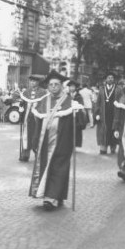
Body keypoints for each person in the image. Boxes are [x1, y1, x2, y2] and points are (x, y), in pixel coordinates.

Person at [29, 70, 86, 211]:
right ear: (48, 86)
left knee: (58, 168)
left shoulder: (69, 101)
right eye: (51, 84)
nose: (53, 87)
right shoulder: (43, 101)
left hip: (62, 142)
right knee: (45, 167)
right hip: (44, 142)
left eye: (56, 84)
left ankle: (52, 197)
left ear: (61, 86)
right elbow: (37, 121)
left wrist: (78, 113)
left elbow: (81, 123)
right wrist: (35, 140)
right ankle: (50, 195)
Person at [19, 72, 47, 162]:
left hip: (37, 118)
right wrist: (21, 105)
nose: (32, 83)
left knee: (37, 135)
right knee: (26, 135)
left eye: (34, 81)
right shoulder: (26, 91)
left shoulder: (43, 92)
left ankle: (37, 155)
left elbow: (44, 104)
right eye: (31, 81)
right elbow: (23, 103)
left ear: (38, 82)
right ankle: (25, 155)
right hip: (28, 118)